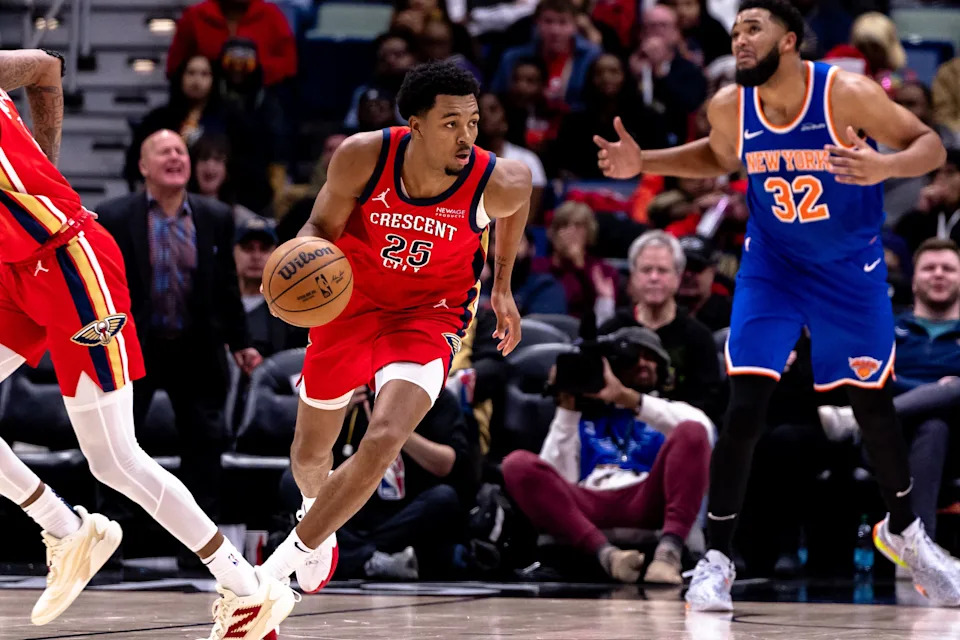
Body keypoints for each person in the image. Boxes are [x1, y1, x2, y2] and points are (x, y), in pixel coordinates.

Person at [594, 0, 960, 611]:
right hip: (775, 267)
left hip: (849, 269)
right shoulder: (730, 106)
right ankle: (715, 560)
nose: (739, 39)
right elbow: (717, 155)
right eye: (735, 28)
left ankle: (905, 532)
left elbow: (931, 147)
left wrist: (883, 166)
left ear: (789, 41)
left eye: (752, 29)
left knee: (873, 407)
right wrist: (646, 163)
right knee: (746, 404)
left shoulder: (847, 94)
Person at [0, 50, 294, 638]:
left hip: (69, 262)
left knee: (114, 458)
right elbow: (45, 69)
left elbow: (47, 67)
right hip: (14, 270)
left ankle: (245, 586)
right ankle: (63, 528)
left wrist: (45, 173)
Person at [256, 61, 531, 604]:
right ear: (417, 124)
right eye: (451, 122)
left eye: (473, 122)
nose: (466, 135)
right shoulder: (364, 155)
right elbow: (318, 228)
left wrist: (502, 286)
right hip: (351, 304)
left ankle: (276, 569)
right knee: (310, 454)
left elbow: (516, 203)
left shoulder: (496, 179)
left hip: (429, 315)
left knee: (384, 437)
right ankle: (317, 522)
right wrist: (303, 261)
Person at [98, 130, 262, 534]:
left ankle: (201, 546)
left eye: (180, 151)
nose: (175, 157)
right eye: (164, 151)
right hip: (136, 347)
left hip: (198, 347)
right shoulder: (115, 215)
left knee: (204, 447)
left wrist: (241, 342)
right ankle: (112, 536)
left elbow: (226, 284)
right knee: (119, 442)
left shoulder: (216, 216)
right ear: (143, 166)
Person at [502, 327, 713, 585]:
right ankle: (609, 556)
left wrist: (628, 398)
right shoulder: (580, 418)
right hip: (591, 502)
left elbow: (702, 434)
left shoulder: (670, 412)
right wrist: (567, 408)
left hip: (647, 499)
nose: (643, 364)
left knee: (692, 432)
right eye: (634, 357)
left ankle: (667, 555)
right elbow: (557, 479)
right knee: (517, 464)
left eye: (651, 358)